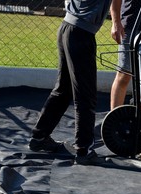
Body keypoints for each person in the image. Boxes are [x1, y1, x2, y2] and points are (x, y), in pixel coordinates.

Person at [28, 0, 112, 165]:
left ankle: (39, 138)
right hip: (81, 33)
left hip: (67, 27)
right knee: (85, 95)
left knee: (63, 89)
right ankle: (84, 150)